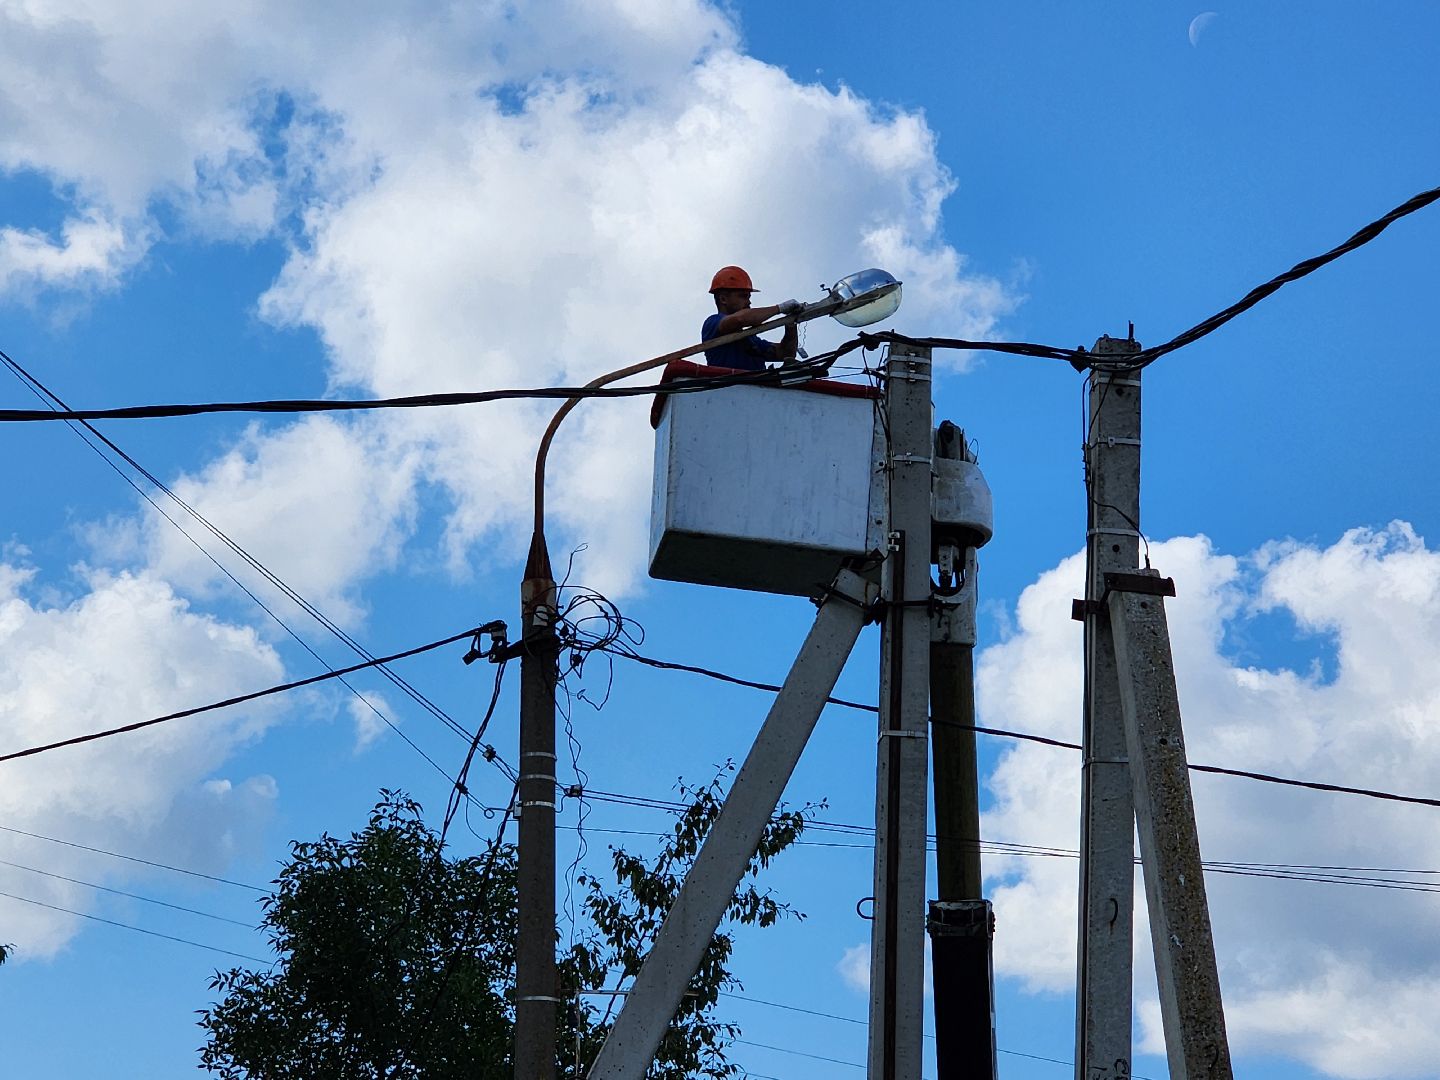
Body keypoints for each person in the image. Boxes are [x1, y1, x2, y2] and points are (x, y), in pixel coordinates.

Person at [701, 265, 802, 370]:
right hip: (729, 384)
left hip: (757, 385)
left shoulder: (751, 341)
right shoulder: (712, 323)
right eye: (743, 296)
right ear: (723, 299)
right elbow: (740, 319)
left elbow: (786, 353)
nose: (749, 302)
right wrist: (779, 308)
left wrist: (791, 323)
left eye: (749, 297)